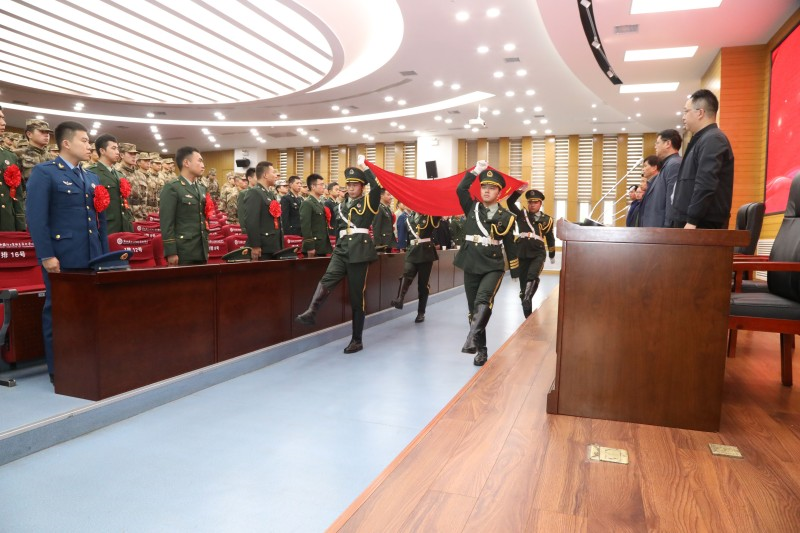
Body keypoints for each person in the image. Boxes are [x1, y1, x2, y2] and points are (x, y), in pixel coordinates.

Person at [26, 121, 109, 383]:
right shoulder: (45, 173)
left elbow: (100, 221)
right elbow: (36, 218)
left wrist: (105, 256)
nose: (89, 146)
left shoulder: (91, 177)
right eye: (84, 140)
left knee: (88, 311)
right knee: (59, 311)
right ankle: (58, 367)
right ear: (66, 143)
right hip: (63, 255)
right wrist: (46, 255)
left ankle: (85, 362)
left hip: (92, 254)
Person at [295, 156, 383, 354]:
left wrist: (365, 167)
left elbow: (377, 188)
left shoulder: (368, 202)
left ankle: (357, 339)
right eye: (348, 185)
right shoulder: (340, 206)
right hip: (341, 249)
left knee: (356, 296)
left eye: (355, 185)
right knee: (327, 278)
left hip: (359, 252)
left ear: (362, 187)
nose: (351, 188)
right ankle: (311, 311)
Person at [455, 161, 519, 366]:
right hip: (471, 262)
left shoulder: (507, 217)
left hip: (493, 266)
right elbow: (460, 189)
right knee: (473, 309)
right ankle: (481, 349)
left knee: (483, 300)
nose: (486, 191)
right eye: (484, 187)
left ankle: (470, 339)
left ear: (499, 192)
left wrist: (515, 271)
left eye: (491, 188)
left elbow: (510, 244)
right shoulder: (472, 208)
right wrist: (475, 172)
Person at [670, 89, 734, 229]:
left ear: (700, 113)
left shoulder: (713, 139)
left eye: (686, 111)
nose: (683, 117)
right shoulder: (701, 139)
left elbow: (706, 182)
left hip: (701, 225)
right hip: (690, 222)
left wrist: (692, 220)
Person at [506, 188, 555, 318]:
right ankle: (528, 318)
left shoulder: (547, 219)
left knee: (532, 275)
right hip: (522, 253)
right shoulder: (521, 215)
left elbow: (550, 237)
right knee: (523, 291)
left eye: (535, 202)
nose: (532, 205)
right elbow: (510, 203)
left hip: (538, 253)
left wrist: (552, 254)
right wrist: (518, 191)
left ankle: (527, 297)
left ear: (540, 203)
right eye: (530, 202)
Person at [159, 146, 209, 266]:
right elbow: (167, 223)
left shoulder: (201, 188)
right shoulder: (173, 187)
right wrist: (171, 252)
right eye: (199, 161)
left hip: (201, 249)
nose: (203, 165)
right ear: (186, 163)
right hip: (183, 250)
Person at [391, 211, 440, 323]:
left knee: (423, 285)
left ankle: (421, 312)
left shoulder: (430, 217)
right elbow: (406, 237)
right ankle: (400, 299)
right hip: (412, 251)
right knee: (407, 273)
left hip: (425, 253)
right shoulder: (408, 218)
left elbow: (438, 213)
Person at [86, 134, 134, 234]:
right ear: (102, 151)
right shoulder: (91, 173)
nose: (117, 152)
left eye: (117, 149)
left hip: (124, 226)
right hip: (106, 227)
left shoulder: (119, 175)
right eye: (113, 148)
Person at [641, 130, 682, 228]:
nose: (655, 146)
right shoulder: (667, 164)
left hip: (663, 229)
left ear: (668, 143)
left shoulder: (674, 164)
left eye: (657, 143)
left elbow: (672, 201)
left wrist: (667, 229)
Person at [242, 161, 282, 260]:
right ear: (265, 175)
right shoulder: (254, 192)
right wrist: (255, 245)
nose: (276, 175)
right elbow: (251, 221)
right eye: (273, 172)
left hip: (273, 245)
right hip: (262, 247)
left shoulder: (270, 193)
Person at [0, 106, 26, 231]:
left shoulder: (10, 156)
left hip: (6, 222)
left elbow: (17, 194)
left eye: (3, 118)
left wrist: (20, 225)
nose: (3, 122)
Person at [300, 173, 333, 257]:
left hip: (322, 245)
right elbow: (306, 226)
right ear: (313, 186)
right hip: (314, 246)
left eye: (324, 184)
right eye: (321, 184)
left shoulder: (319, 203)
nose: (323, 187)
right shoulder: (307, 203)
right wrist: (310, 246)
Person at [116, 143, 147, 220]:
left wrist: (144, 216)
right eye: (130, 154)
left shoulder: (141, 175)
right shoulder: (116, 172)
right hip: (124, 217)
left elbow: (144, 198)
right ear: (122, 155)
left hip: (139, 217)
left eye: (135, 154)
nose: (134, 156)